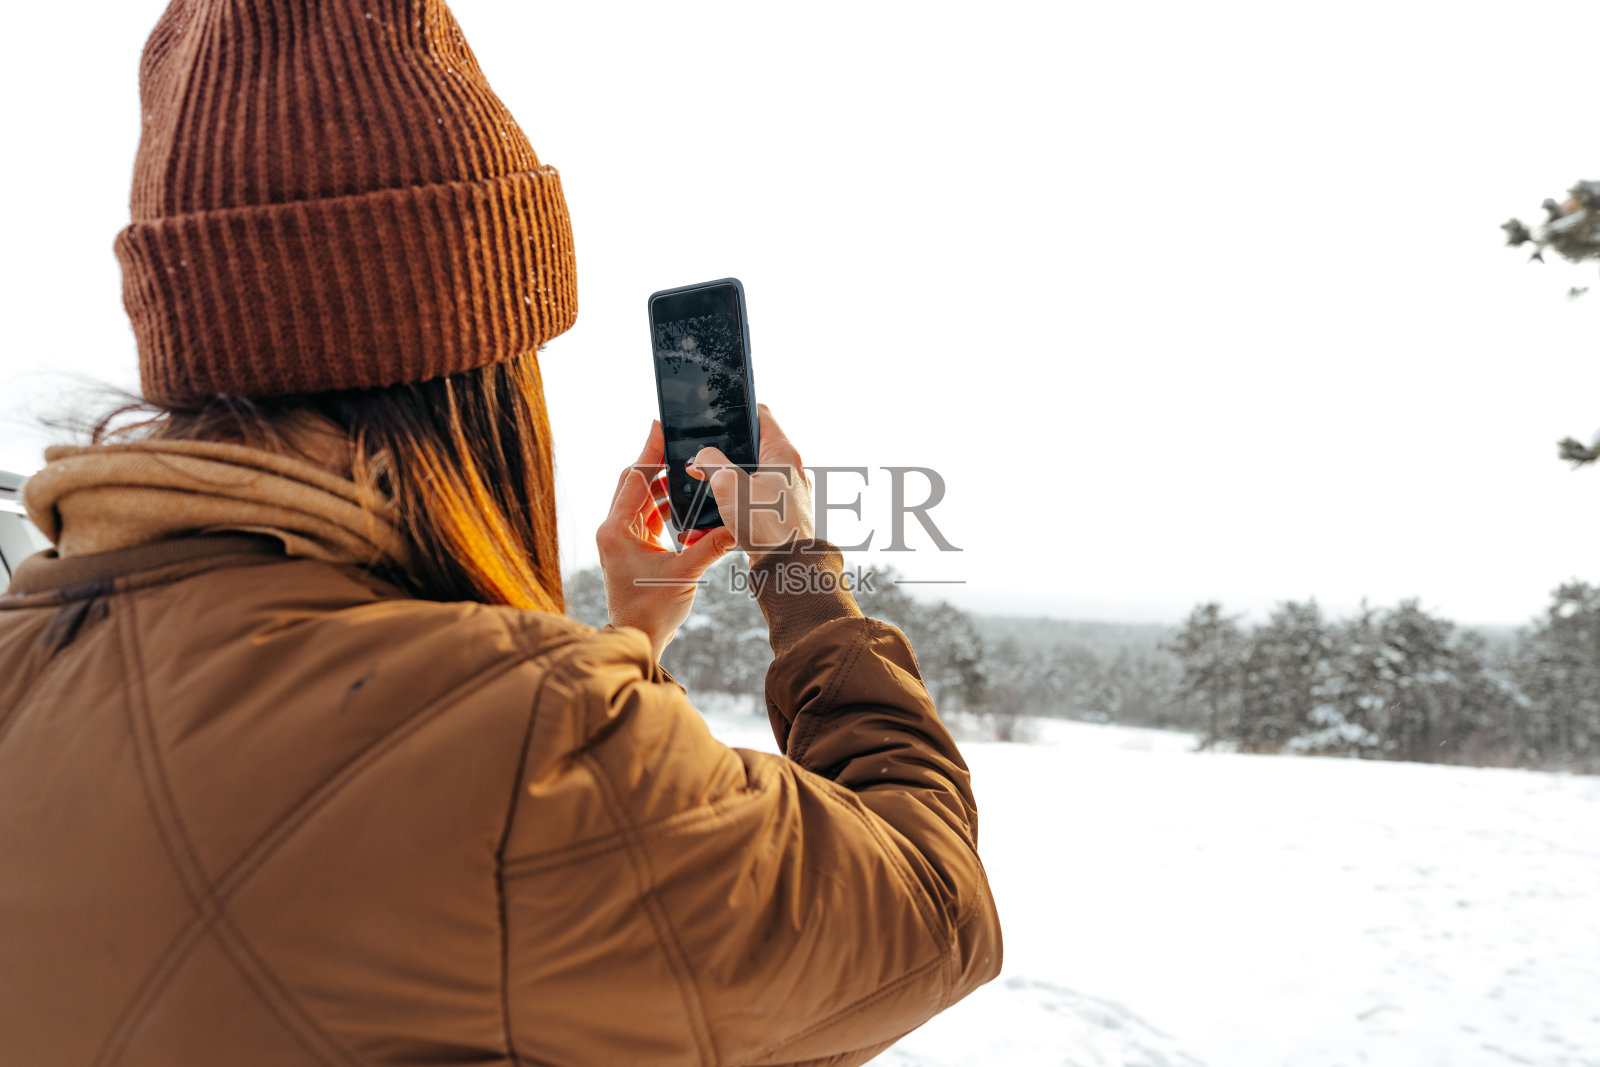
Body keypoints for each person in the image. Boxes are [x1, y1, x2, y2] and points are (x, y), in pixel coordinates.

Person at [0, 1, 1002, 1064]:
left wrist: (625, 651)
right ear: (471, 383)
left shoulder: (23, 658)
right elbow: (936, 907)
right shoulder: (530, 740)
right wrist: (792, 567)